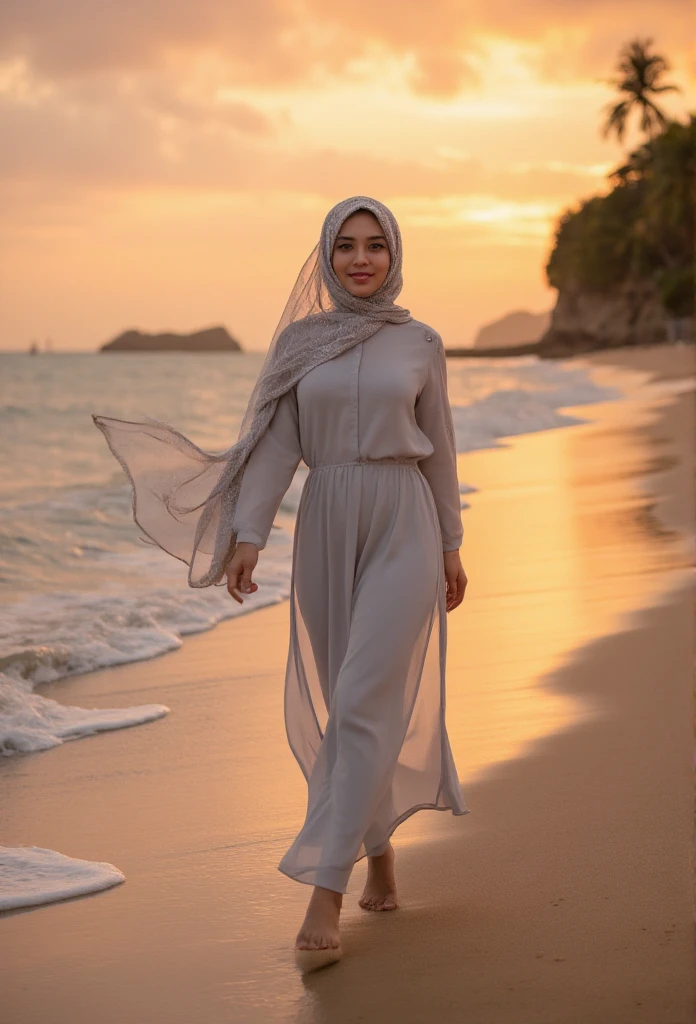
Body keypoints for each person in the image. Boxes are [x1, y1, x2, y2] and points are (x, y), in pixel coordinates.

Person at [93, 195, 469, 974]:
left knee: (364, 699)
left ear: (396, 256)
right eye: (345, 247)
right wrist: (249, 534)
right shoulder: (301, 344)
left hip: (404, 523)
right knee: (347, 703)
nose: (361, 259)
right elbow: (276, 447)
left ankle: (324, 889)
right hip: (327, 527)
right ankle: (381, 852)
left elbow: (439, 454)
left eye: (375, 246)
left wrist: (452, 546)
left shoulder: (421, 342)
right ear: (327, 258)